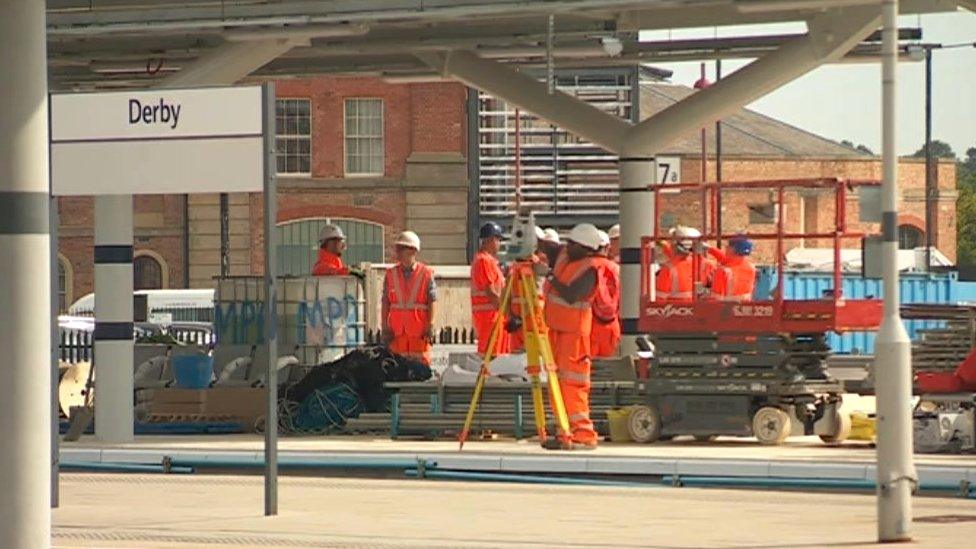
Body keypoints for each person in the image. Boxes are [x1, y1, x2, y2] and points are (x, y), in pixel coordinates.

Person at [544, 223, 602, 450]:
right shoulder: (566, 256)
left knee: (573, 386)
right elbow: (551, 248)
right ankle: (564, 433)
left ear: (586, 248)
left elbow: (571, 295)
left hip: (575, 335)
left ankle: (584, 435)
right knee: (556, 383)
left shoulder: (590, 269)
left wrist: (549, 276)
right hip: (558, 331)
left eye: (572, 244)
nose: (568, 247)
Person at [382, 231, 436, 366]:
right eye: (398, 248)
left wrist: (431, 325)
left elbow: (432, 299)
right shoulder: (390, 274)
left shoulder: (426, 274)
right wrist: (384, 326)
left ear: (413, 250)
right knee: (396, 369)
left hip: (419, 334)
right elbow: (385, 302)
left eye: (402, 248)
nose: (398, 252)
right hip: (397, 334)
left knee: (420, 370)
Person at [470, 222, 510, 357]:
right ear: (491, 239)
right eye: (498, 239)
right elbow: (491, 293)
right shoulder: (484, 260)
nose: (499, 244)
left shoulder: (489, 261)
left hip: (493, 317)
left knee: (496, 355)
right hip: (490, 318)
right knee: (491, 356)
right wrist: (508, 313)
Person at [590, 230, 621, 357]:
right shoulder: (616, 269)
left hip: (590, 325)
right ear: (607, 247)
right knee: (612, 369)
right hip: (613, 326)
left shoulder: (585, 267)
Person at [708, 236, 757, 301]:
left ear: (733, 249)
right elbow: (727, 259)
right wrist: (710, 249)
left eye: (728, 246)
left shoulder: (723, 271)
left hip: (724, 309)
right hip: (744, 309)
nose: (726, 247)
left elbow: (715, 299)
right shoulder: (751, 268)